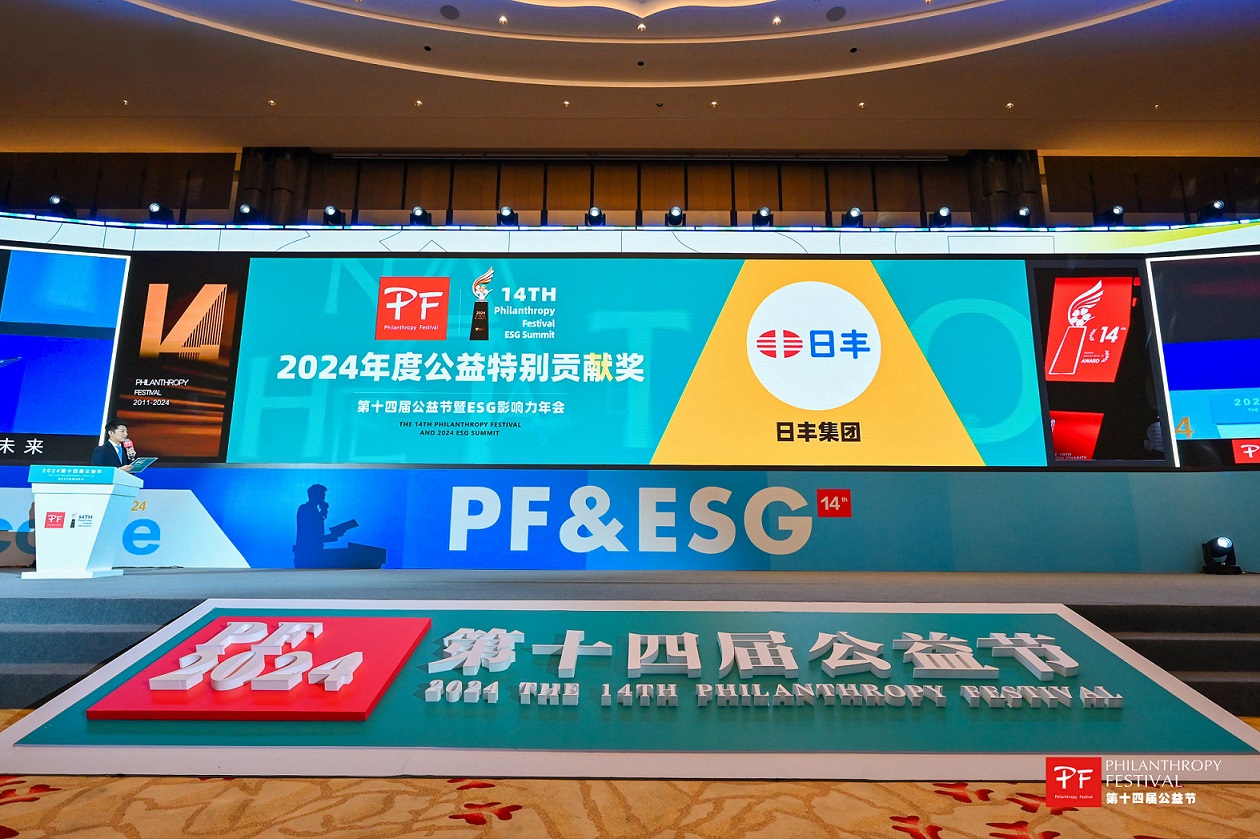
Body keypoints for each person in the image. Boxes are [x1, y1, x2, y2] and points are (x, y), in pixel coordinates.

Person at [294, 484, 337, 566]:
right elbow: (311, 536)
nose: (324, 498)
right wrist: (323, 511)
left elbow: (316, 536)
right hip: (306, 555)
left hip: (313, 553)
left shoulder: (314, 511)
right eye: (322, 495)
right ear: (315, 495)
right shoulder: (305, 509)